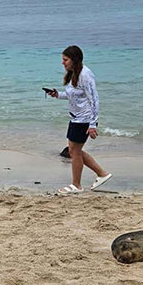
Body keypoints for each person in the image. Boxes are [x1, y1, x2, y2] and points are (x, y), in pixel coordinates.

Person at [46, 45, 112, 195]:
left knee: (74, 152)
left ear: (74, 60)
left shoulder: (85, 75)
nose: (63, 63)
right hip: (76, 118)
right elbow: (74, 95)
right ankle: (102, 174)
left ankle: (77, 185)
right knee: (74, 150)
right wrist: (58, 95)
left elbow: (94, 99)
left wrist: (93, 124)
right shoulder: (73, 74)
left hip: (84, 119)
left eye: (65, 60)